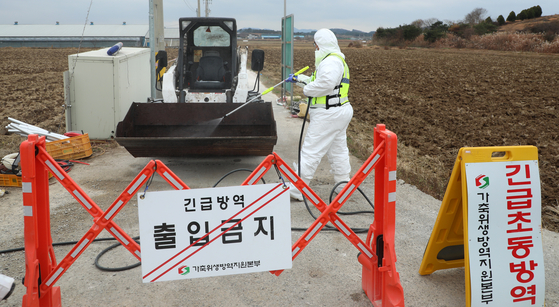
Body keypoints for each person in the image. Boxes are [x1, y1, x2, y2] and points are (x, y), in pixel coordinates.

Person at [286, 28, 353, 201]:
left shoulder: (330, 62)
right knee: (338, 150)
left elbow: (326, 83)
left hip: (328, 114)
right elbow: (321, 82)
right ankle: (343, 185)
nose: (315, 48)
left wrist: (307, 90)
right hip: (338, 111)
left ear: (320, 44)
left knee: (311, 150)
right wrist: (300, 80)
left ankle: (297, 189)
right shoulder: (335, 60)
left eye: (315, 44)